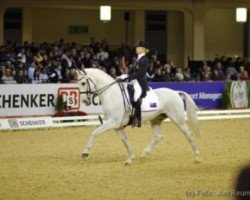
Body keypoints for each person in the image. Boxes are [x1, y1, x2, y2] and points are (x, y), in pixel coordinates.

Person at [117, 41, 150, 127]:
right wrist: (124, 76)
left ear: (143, 49)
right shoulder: (136, 59)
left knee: (135, 97)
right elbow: (132, 71)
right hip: (133, 81)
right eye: (137, 47)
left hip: (140, 83)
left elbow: (141, 74)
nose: (136, 48)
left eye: (138, 47)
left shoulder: (145, 60)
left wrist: (128, 76)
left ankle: (137, 119)